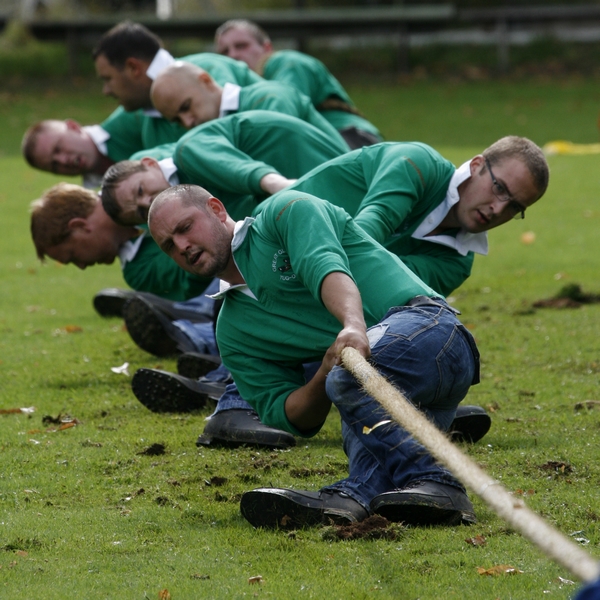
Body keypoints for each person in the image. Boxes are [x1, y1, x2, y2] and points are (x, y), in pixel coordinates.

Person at [148, 184, 481, 529]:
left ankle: (437, 482)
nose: (183, 246)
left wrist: (353, 327)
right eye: (169, 245)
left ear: (216, 210)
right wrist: (323, 372)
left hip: (434, 332)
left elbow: (325, 266)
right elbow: (291, 416)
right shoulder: (232, 332)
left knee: (349, 378)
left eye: (185, 228)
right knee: (349, 393)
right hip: (378, 391)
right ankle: (353, 499)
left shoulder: (285, 212)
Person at [30, 182, 295, 448]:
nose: (83, 266)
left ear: (79, 226)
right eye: (168, 244)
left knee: (241, 302)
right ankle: (201, 345)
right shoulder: (137, 268)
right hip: (230, 292)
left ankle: (195, 342)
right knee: (231, 306)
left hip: (261, 256)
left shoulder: (138, 186)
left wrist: (269, 180)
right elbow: (194, 275)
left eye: (74, 256)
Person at [278, 136, 549, 296]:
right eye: (499, 188)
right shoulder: (417, 163)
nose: (498, 210)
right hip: (261, 252)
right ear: (476, 165)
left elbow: (379, 288)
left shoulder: (456, 265)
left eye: (514, 207)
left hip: (297, 303)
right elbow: (363, 235)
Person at [100, 110, 349, 226]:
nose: (147, 202)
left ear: (150, 163)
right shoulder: (186, 204)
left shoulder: (187, 151)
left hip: (294, 156)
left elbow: (241, 171)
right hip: (300, 190)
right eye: (142, 212)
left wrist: (280, 185)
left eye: (140, 190)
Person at [215, 19, 383, 149]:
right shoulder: (247, 91)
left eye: (241, 46)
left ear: (267, 48)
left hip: (349, 140)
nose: (233, 55)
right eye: (225, 52)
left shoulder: (287, 61)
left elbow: (284, 114)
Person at [150, 61, 348, 148]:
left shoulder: (270, 98)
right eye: (177, 120)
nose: (187, 121)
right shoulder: (214, 135)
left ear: (206, 81)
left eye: (186, 107)